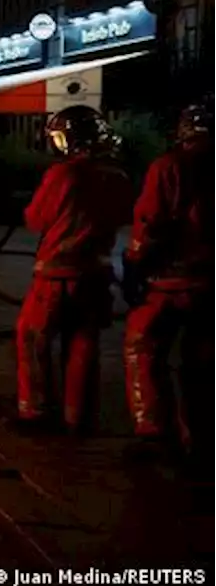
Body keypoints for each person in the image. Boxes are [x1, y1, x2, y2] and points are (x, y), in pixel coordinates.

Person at [12, 106, 133, 435]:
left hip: (55, 274)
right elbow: (124, 216)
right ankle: (76, 415)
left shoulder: (63, 175)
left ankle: (34, 410)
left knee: (31, 338)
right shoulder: (117, 176)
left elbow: (36, 218)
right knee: (83, 343)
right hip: (95, 274)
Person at [121, 97, 215, 465]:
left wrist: (135, 265)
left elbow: (150, 221)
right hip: (211, 282)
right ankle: (202, 436)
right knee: (202, 362)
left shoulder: (170, 167)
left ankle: (155, 431)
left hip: (171, 280)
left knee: (142, 347)